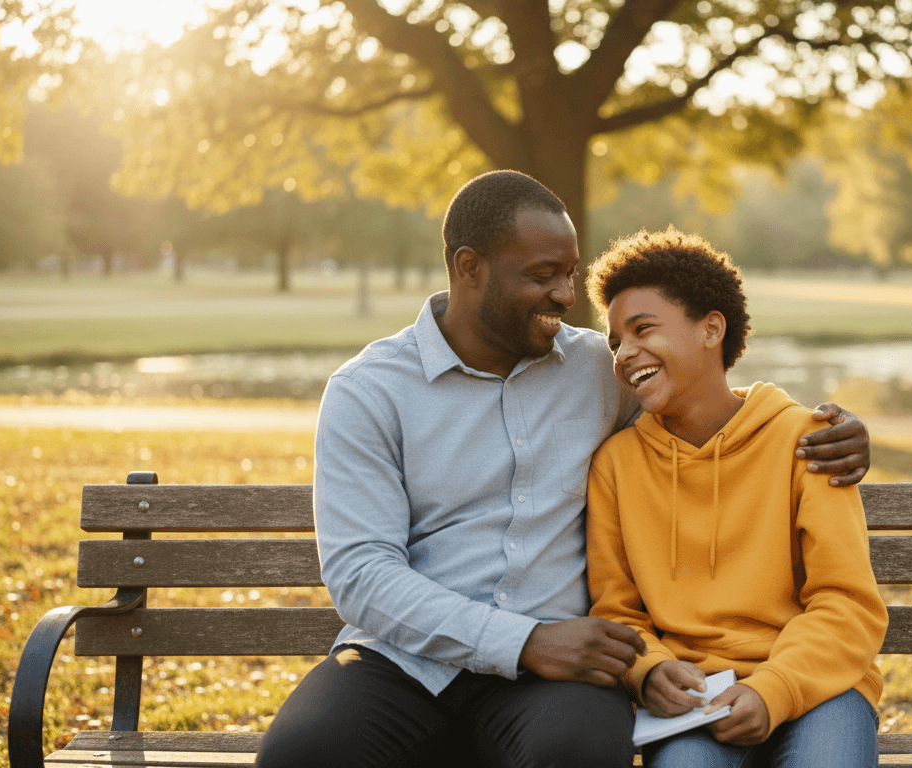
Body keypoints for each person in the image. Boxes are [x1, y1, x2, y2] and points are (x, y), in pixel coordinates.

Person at [253, 171, 872, 768]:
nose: (566, 296)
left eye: (569, 274)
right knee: (302, 758)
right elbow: (361, 573)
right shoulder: (369, 391)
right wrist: (522, 642)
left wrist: (825, 428)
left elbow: (701, 384)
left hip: (562, 672)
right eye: (542, 275)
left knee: (578, 753)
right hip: (406, 660)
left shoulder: (598, 367)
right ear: (469, 268)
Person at [585, 227, 888, 768]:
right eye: (615, 342)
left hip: (818, 685)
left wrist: (774, 689)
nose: (625, 353)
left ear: (711, 329)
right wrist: (649, 670)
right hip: (695, 698)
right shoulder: (616, 465)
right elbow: (617, 610)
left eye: (643, 329)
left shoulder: (806, 442)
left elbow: (847, 603)